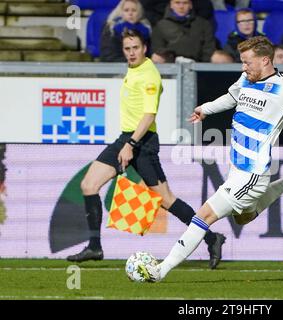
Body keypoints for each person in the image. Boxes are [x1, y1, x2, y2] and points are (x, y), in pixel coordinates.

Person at [143, 36, 283, 283]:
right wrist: (206, 109)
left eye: (247, 62)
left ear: (265, 60)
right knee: (244, 217)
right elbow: (232, 97)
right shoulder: (247, 79)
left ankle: (160, 271)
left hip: (252, 174)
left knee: (203, 216)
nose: (243, 67)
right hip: (237, 170)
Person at [67, 29, 226, 269]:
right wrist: (127, 141)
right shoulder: (135, 70)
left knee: (166, 200)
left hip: (142, 142)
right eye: (127, 48)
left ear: (144, 49)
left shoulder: (149, 75)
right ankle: (94, 246)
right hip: (126, 137)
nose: (131, 53)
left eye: (135, 48)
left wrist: (131, 145)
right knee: (89, 185)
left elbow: (149, 114)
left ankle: (212, 238)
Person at [151, 0, 216, 62]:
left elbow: (209, 48)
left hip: (198, 64)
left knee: (218, 57)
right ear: (171, 5)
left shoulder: (203, 24)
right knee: (156, 57)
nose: (181, 7)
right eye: (177, 3)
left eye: (185, 3)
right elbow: (158, 48)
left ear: (190, 5)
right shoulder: (161, 25)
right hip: (171, 64)